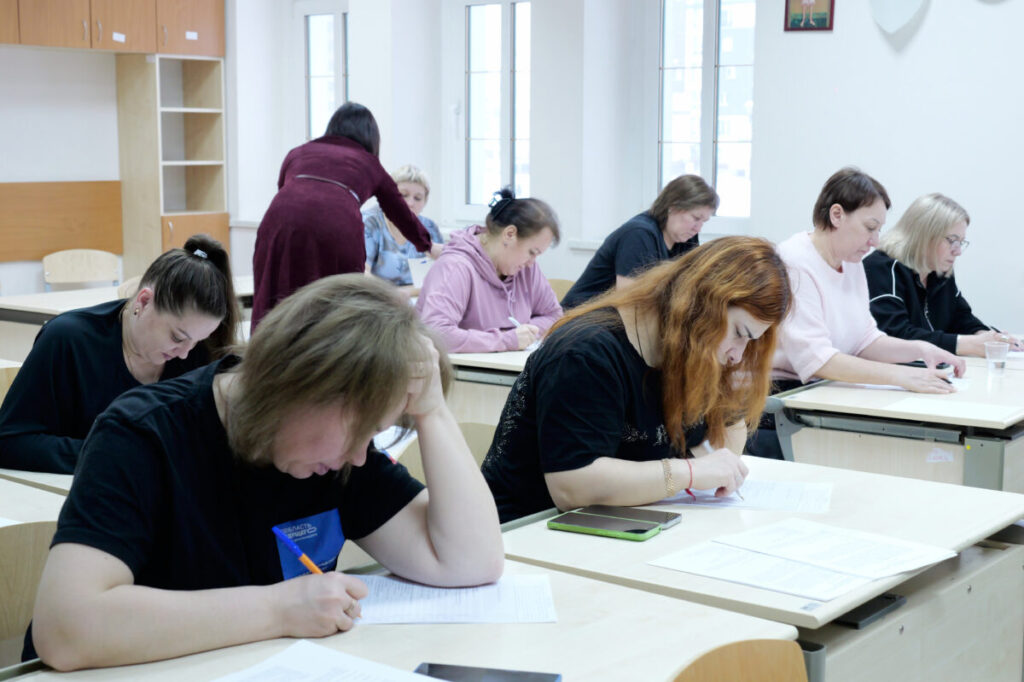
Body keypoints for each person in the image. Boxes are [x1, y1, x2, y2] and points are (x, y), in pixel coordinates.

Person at [28, 274, 504, 670]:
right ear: (303, 388)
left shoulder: (332, 454)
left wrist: (433, 411)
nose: (362, 456)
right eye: (360, 433)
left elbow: (471, 563)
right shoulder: (141, 434)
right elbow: (67, 629)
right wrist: (278, 609)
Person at [482, 236, 791, 523]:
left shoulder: (689, 351)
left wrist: (706, 467)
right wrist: (690, 472)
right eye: (738, 333)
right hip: (526, 530)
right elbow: (572, 487)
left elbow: (729, 427)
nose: (738, 355)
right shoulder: (586, 353)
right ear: (701, 305)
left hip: (616, 524)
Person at [0, 235, 239, 474]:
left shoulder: (197, 354)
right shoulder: (68, 341)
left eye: (196, 341)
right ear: (144, 301)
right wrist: (113, 454)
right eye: (177, 337)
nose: (185, 354)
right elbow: (9, 442)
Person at [771, 168, 964, 396]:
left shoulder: (850, 261)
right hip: (784, 392)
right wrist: (902, 375)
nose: (875, 241)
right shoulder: (794, 262)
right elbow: (816, 359)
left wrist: (920, 349)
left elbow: (864, 340)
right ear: (837, 215)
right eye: (870, 228)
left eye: (878, 230)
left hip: (823, 385)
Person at [251, 102, 433, 329]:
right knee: (338, 304)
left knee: (273, 289)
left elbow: (284, 189)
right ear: (371, 138)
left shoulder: (298, 152)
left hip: (280, 218)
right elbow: (399, 211)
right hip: (336, 223)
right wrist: (427, 244)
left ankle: (266, 347)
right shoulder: (369, 163)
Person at [865, 193, 1022, 356]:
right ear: (924, 235)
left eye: (961, 242)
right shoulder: (881, 268)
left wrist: (987, 337)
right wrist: (968, 344)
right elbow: (894, 335)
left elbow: (961, 318)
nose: (958, 251)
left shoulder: (939, 270)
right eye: (952, 240)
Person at [416, 188, 563, 353]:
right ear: (509, 234)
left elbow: (554, 315)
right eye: (531, 252)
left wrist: (526, 333)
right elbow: (437, 334)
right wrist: (507, 339)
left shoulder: (526, 269)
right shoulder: (455, 266)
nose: (531, 263)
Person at [560, 175, 718, 309]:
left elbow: (689, 287)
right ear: (673, 207)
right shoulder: (638, 235)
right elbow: (630, 303)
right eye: (696, 218)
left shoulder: (686, 237)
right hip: (583, 321)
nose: (698, 228)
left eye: (703, 221)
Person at [364, 164, 445, 297]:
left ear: (425, 202)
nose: (410, 203)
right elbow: (361, 274)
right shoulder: (370, 223)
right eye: (403, 195)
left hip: (417, 299)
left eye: (417, 198)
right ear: (388, 195)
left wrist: (405, 293)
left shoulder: (429, 227)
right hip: (376, 299)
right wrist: (393, 295)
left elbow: (442, 276)